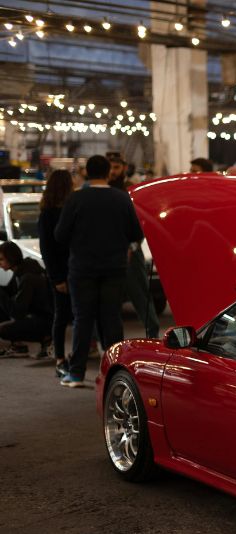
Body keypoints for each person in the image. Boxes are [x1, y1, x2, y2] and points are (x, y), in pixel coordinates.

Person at [55, 155, 144, 387]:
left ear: (87, 173)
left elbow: (60, 235)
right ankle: (114, 374)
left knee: (83, 320)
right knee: (111, 318)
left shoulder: (75, 199)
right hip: (114, 267)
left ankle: (76, 374)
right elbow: (136, 233)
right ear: (107, 173)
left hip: (82, 268)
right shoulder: (122, 198)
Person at [37, 169, 74, 375]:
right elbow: (47, 249)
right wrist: (57, 278)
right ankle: (60, 360)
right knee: (61, 317)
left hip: (74, 269)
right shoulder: (48, 214)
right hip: (60, 272)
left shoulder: (68, 210)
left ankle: (70, 358)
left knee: (76, 316)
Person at [0, 242, 53, 358]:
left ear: (11, 257)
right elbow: (9, 292)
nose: (0, 263)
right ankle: (18, 346)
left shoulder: (27, 277)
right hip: (36, 316)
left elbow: (17, 312)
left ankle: (47, 339)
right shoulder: (21, 271)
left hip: (45, 320)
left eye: (2, 259)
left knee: (3, 330)